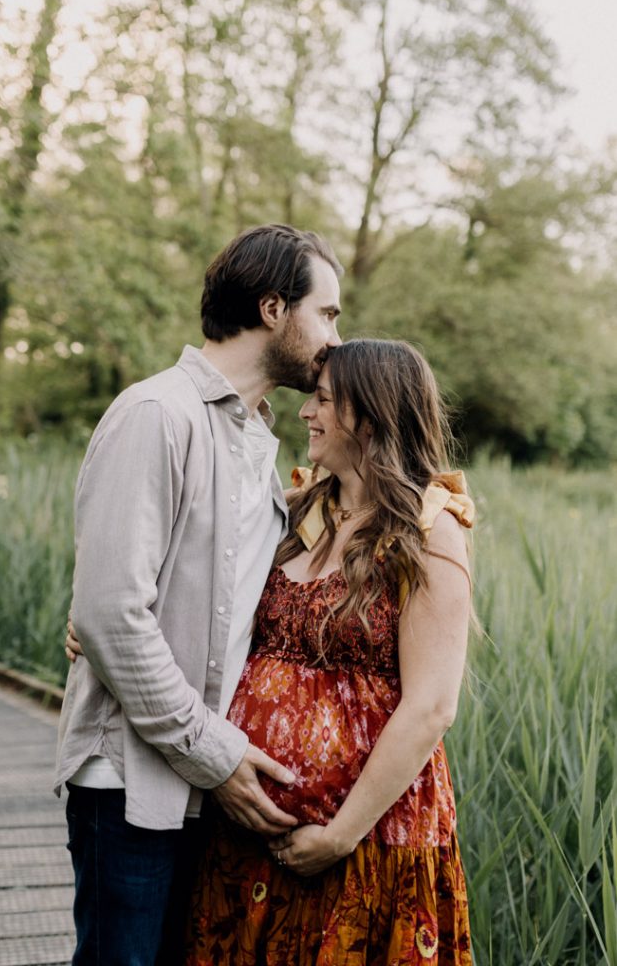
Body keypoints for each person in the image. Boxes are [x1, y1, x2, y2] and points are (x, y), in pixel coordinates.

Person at [55, 223, 343, 966]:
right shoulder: (158, 414)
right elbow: (112, 613)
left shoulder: (258, 439)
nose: (335, 338)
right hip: (132, 781)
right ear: (274, 308)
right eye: (328, 314)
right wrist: (215, 753)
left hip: (206, 788)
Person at [183, 338, 475, 964]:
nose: (304, 413)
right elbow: (200, 590)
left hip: (364, 845)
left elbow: (432, 706)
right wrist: (104, 622)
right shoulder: (299, 509)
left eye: (322, 401)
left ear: (367, 417)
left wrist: (340, 835)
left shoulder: (427, 531)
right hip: (246, 836)